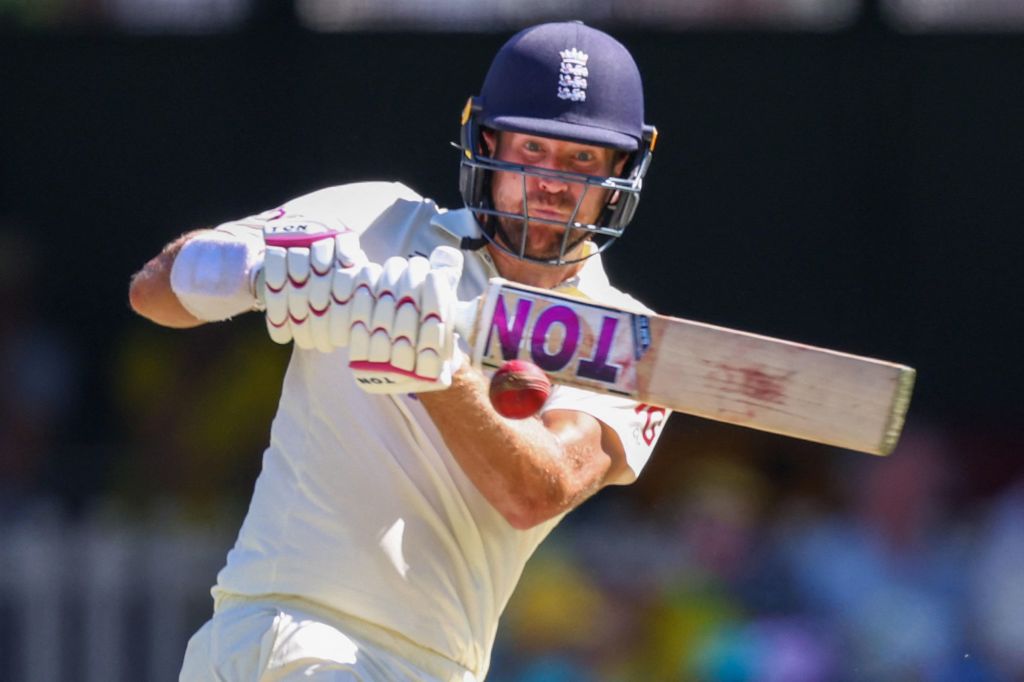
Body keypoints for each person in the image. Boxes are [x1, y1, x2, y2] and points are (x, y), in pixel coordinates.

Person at [129, 21, 668, 682]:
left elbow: (535, 491)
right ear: (488, 141)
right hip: (242, 632)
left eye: (581, 158)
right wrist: (251, 270)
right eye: (533, 148)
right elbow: (152, 293)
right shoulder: (376, 220)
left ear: (621, 169)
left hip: (404, 663)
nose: (550, 182)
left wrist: (435, 367)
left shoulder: (629, 339)